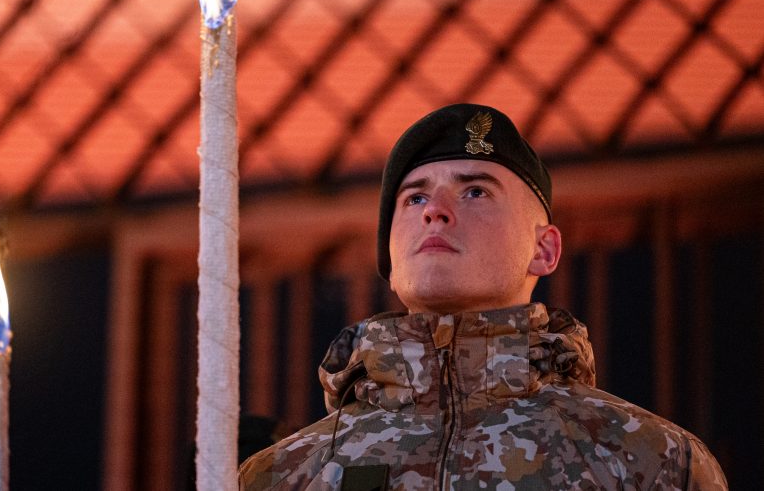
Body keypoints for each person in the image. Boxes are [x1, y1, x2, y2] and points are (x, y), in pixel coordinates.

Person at [239, 104, 727, 490]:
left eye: (475, 191)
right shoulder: (284, 475)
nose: (436, 211)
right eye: (414, 197)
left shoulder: (649, 461)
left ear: (545, 248)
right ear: (389, 257)